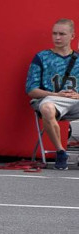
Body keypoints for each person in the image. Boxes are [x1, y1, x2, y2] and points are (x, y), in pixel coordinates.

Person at [26, 19, 79, 170]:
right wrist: (56, 94)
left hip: (75, 100)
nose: (57, 37)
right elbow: (31, 90)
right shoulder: (42, 57)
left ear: (72, 36)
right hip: (51, 100)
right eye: (54, 33)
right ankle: (61, 151)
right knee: (47, 108)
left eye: (62, 34)